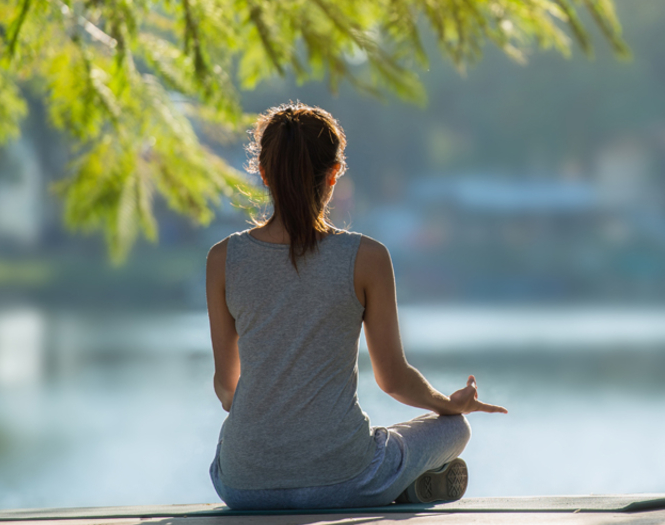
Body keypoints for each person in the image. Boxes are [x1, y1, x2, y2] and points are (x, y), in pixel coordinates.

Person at [206, 102, 507, 510]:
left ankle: (395, 485)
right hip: (345, 479)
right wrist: (450, 405)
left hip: (243, 487)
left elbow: (227, 387)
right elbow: (394, 380)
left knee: (233, 440)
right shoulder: (366, 257)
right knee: (455, 430)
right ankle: (400, 485)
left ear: (262, 173)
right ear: (334, 175)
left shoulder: (223, 259)